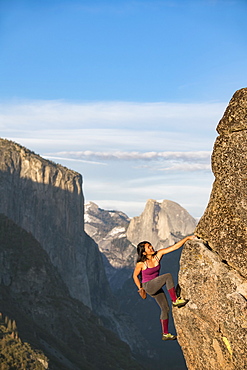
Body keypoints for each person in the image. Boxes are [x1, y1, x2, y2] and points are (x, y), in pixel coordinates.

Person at [133, 235, 195, 341]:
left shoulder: (158, 255)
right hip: (148, 286)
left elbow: (174, 247)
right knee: (168, 276)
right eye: (148, 247)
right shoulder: (141, 264)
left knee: (165, 308)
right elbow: (135, 276)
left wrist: (187, 238)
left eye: (150, 245)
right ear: (144, 253)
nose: (151, 247)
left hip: (156, 285)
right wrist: (140, 288)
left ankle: (165, 334)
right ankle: (175, 300)